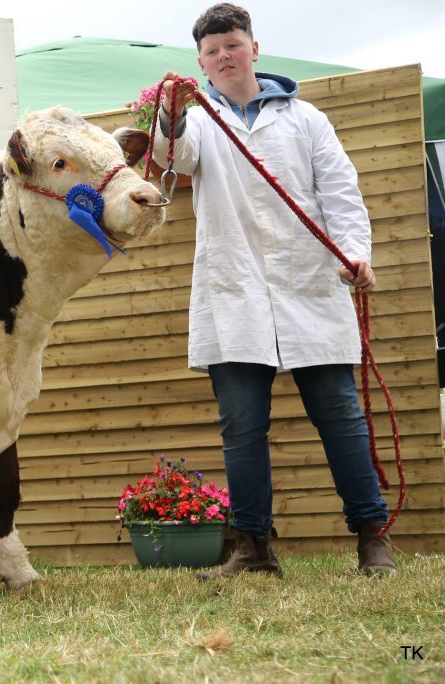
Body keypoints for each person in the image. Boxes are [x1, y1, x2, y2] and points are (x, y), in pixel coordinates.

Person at [153, 2, 396, 577]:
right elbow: (171, 159)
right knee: (242, 426)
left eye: (232, 44)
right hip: (233, 292)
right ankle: (254, 549)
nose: (224, 56)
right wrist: (170, 115)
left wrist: (355, 253)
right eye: (212, 52)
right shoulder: (199, 121)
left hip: (310, 284)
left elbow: (340, 191)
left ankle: (371, 537)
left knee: (340, 415)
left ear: (254, 49)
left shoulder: (307, 118)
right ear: (201, 64)